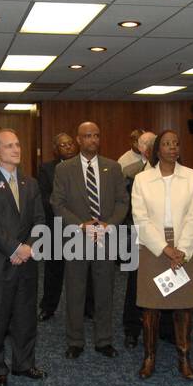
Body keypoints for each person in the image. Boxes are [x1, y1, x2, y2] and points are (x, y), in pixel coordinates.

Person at [0, 129, 45, 386]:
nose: (16, 149)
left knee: (25, 318)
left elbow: (39, 221)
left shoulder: (31, 183)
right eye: (9, 146)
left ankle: (24, 364)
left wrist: (28, 248)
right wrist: (15, 249)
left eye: (17, 144)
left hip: (26, 262)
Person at [52, 121, 129, 359]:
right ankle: (75, 341)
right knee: (75, 291)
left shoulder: (113, 167)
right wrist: (80, 225)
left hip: (105, 237)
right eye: (87, 136)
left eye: (96, 135)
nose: (92, 140)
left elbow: (122, 201)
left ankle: (103, 340)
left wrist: (109, 225)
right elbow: (58, 203)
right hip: (77, 238)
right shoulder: (64, 169)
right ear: (78, 139)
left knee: (105, 291)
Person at [131, 129, 193, 379]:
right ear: (157, 150)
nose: (173, 147)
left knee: (182, 307)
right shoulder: (142, 179)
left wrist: (181, 250)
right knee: (151, 308)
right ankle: (149, 357)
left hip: (184, 247)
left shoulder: (192, 177)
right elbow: (140, 218)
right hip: (154, 248)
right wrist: (165, 249)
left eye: (176, 143)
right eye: (167, 144)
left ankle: (184, 357)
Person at [36, 131, 78, 321]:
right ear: (55, 150)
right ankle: (48, 306)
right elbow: (45, 199)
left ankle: (88, 307)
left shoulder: (83, 166)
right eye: (63, 145)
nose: (68, 147)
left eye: (70, 143)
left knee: (83, 270)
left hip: (81, 227)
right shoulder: (46, 169)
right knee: (54, 270)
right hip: (56, 227)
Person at [121, 130, 156, 348]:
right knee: (136, 284)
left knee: (164, 284)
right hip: (138, 235)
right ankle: (132, 329)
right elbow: (125, 206)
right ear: (144, 150)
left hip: (166, 237)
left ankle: (164, 329)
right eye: (151, 146)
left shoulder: (175, 172)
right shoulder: (130, 172)